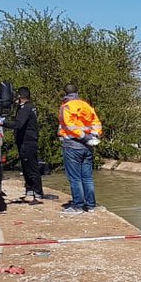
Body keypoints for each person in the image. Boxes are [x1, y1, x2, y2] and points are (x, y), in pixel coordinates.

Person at [57, 83, 102, 213]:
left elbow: (69, 126)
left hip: (72, 145)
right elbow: (96, 123)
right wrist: (93, 136)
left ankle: (78, 206)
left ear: (65, 93)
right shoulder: (86, 105)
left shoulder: (66, 107)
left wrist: (83, 137)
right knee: (87, 177)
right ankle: (91, 205)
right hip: (88, 146)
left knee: (75, 178)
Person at [11, 87, 44, 200]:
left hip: (28, 141)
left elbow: (18, 124)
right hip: (26, 140)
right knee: (25, 166)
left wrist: (2, 122)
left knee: (31, 166)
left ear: (20, 97)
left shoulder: (26, 108)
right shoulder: (28, 107)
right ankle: (30, 189)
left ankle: (37, 192)